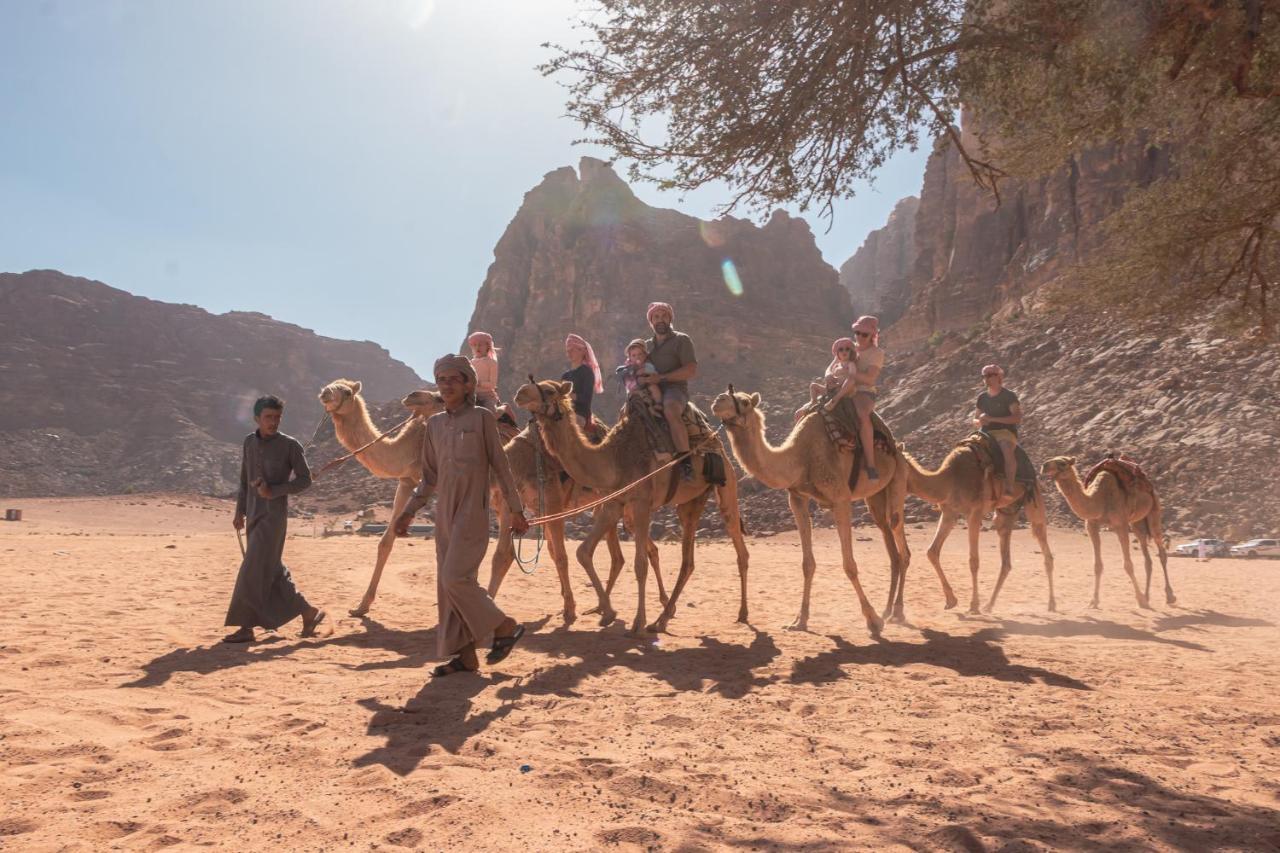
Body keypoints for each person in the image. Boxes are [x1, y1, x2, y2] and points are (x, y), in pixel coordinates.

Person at [394, 354, 530, 676]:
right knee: (447, 584)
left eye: (454, 379)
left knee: (456, 577)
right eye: (442, 380)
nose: (447, 384)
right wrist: (407, 512)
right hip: (445, 512)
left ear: (468, 384)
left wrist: (516, 510)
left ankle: (504, 625)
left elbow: (501, 466)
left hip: (473, 510)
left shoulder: (482, 418)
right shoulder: (435, 425)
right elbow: (429, 478)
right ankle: (464, 655)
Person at [224, 395, 325, 643]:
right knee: (272, 570)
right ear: (257, 418)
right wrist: (240, 512)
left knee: (251, 570)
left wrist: (274, 491)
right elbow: (243, 480)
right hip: (253, 514)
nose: (274, 422)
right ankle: (308, 612)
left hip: (273, 518)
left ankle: (246, 627)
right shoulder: (249, 443)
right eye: (268, 417)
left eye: (277, 417)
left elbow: (305, 480)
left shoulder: (290, 445)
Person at [640, 302, 698, 478]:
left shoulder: (682, 340)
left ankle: (685, 461)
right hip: (650, 389)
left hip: (674, 389)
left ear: (670, 319)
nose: (660, 320)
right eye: (656, 317)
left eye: (664, 316)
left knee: (671, 410)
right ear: (651, 321)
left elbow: (691, 369)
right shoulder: (646, 346)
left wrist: (662, 378)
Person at [826, 316, 884, 481]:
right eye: (857, 332)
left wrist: (849, 374)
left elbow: (870, 378)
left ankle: (871, 465)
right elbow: (830, 368)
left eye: (864, 334)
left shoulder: (877, 353)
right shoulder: (848, 348)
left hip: (863, 392)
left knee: (862, 415)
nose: (859, 337)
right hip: (840, 387)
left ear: (872, 336)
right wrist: (829, 376)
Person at [974, 363, 1023, 497]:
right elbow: (975, 419)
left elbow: (1017, 417)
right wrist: (980, 421)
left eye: (990, 375)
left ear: (999, 376)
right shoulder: (982, 397)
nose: (986, 379)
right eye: (984, 376)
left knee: (1006, 449)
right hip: (985, 432)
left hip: (1005, 433)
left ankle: (1009, 486)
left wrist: (992, 419)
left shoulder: (1009, 396)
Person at [796, 336, 855, 422]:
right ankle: (813, 401)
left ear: (851, 352)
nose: (844, 352)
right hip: (829, 390)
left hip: (840, 390)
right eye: (841, 350)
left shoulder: (850, 364)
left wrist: (840, 382)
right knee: (813, 386)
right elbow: (829, 370)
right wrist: (830, 377)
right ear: (837, 353)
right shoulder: (836, 365)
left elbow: (852, 377)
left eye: (847, 349)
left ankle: (834, 401)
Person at [562, 333, 604, 429]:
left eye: (572, 350)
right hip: (566, 413)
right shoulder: (565, 375)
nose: (569, 353)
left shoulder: (587, 372)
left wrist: (571, 396)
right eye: (568, 351)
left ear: (582, 351)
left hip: (581, 415)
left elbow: (586, 399)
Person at [616, 338, 662, 406]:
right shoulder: (628, 367)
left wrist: (645, 371)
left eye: (640, 354)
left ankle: (659, 404)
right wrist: (635, 374)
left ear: (645, 355)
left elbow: (654, 372)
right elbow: (627, 380)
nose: (637, 357)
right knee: (634, 395)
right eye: (634, 355)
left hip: (647, 385)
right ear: (630, 357)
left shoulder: (647, 364)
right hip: (634, 388)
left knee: (654, 388)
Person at [467, 331, 501, 413]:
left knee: (490, 412)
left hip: (487, 396)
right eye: (474, 345)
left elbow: (492, 384)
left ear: (487, 347)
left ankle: (502, 412)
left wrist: (478, 383)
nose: (477, 347)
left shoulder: (492, 362)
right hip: (471, 396)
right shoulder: (470, 363)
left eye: (481, 344)